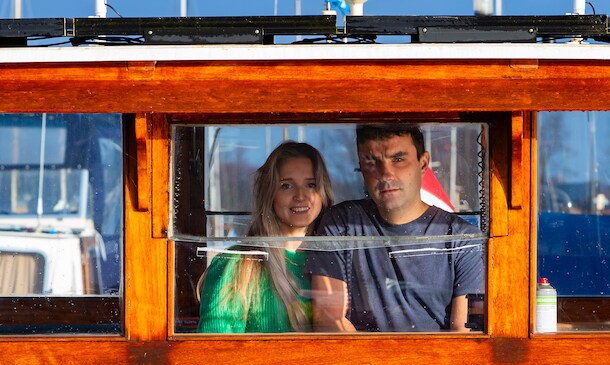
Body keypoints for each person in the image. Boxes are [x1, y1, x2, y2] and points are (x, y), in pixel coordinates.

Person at [308, 125, 484, 332]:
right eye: (372, 162)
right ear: (361, 168)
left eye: (398, 159)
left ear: (423, 163)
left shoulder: (462, 239)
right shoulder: (342, 223)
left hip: (436, 355)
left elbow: (465, 336)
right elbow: (329, 321)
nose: (386, 173)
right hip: (358, 354)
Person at [198, 141, 334, 333]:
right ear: (270, 194)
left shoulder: (336, 260)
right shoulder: (236, 264)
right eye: (286, 186)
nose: (300, 196)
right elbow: (215, 347)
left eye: (311, 184)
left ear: (322, 193)